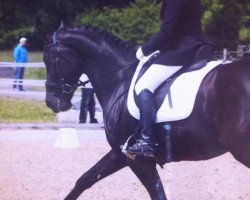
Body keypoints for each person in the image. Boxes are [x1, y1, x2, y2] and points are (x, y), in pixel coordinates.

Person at [126, 0, 210, 157]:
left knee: (144, 86)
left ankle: (147, 141)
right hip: (195, 47)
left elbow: (167, 32)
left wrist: (144, 50)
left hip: (182, 50)